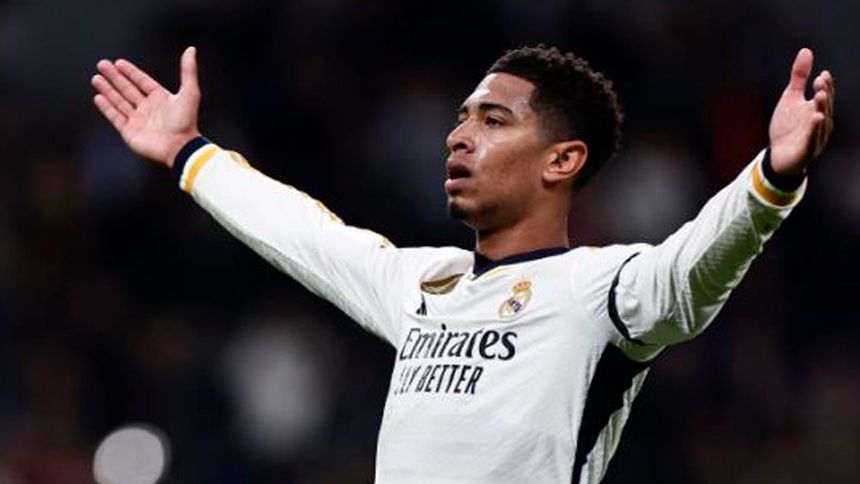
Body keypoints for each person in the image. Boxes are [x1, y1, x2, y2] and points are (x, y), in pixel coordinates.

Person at [90, 44, 834, 483]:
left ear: (562, 160)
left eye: (493, 119)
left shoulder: (599, 290)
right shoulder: (424, 284)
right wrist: (190, 154)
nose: (458, 135)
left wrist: (771, 177)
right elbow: (304, 235)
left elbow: (693, 269)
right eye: (462, 117)